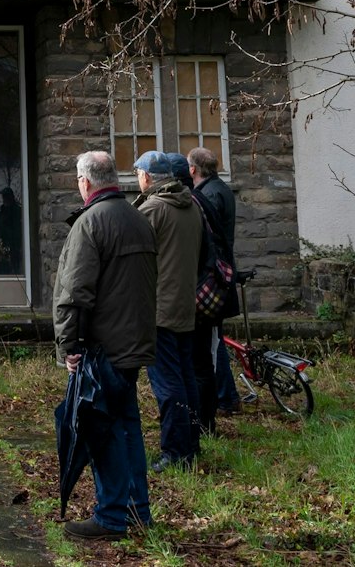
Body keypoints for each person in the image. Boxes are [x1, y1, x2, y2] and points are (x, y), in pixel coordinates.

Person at [54, 150, 157, 540]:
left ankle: (112, 516)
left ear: (85, 182)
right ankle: (137, 511)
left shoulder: (91, 223)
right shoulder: (137, 217)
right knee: (127, 428)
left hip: (103, 349)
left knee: (101, 430)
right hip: (132, 344)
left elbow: (74, 293)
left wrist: (69, 346)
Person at [132, 151, 204, 471]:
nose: (137, 180)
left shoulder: (153, 209)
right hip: (185, 306)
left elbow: (131, 257)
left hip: (158, 309)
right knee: (186, 378)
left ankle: (175, 453)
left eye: (138, 174)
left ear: (147, 177)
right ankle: (191, 446)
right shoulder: (191, 207)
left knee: (167, 384)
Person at [188, 146, 239, 416]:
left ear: (193, 169)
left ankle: (226, 396)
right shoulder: (220, 189)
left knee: (212, 342)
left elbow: (211, 241)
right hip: (220, 274)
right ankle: (225, 395)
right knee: (213, 340)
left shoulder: (208, 195)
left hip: (214, 278)